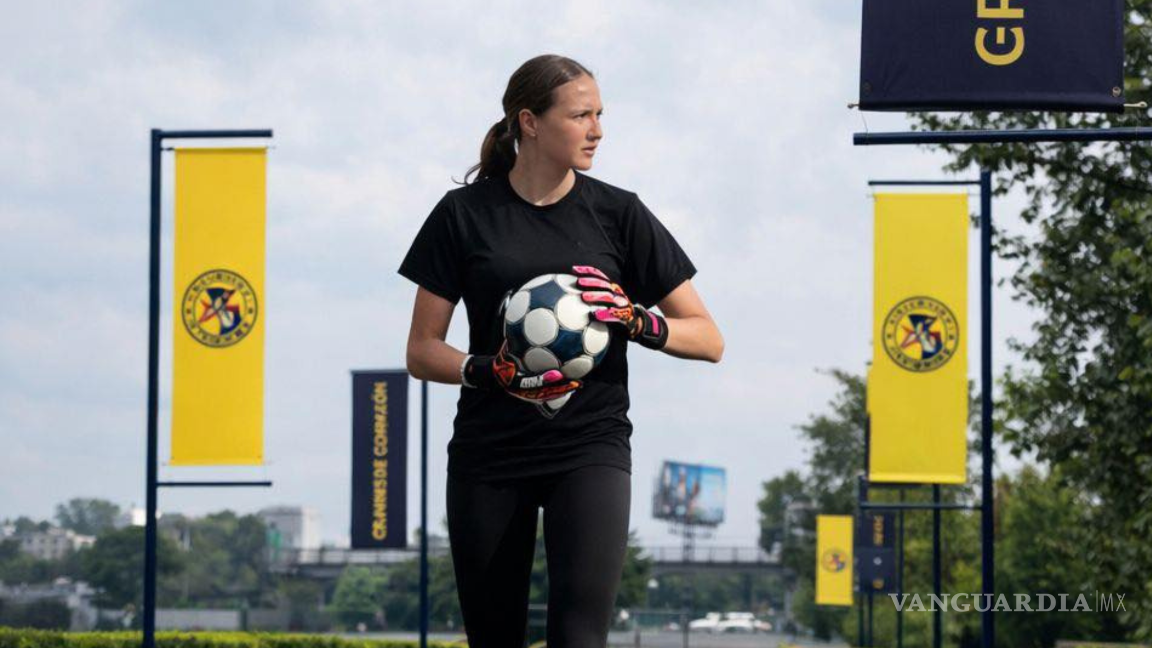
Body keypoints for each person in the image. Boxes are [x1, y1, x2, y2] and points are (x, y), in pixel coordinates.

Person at [399, 54, 724, 647]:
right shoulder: (462, 215)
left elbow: (708, 337)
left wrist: (636, 320)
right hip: (489, 455)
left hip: (590, 449)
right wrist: (488, 372)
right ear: (529, 122)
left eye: (600, 114)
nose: (597, 130)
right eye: (581, 116)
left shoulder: (619, 213)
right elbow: (421, 351)